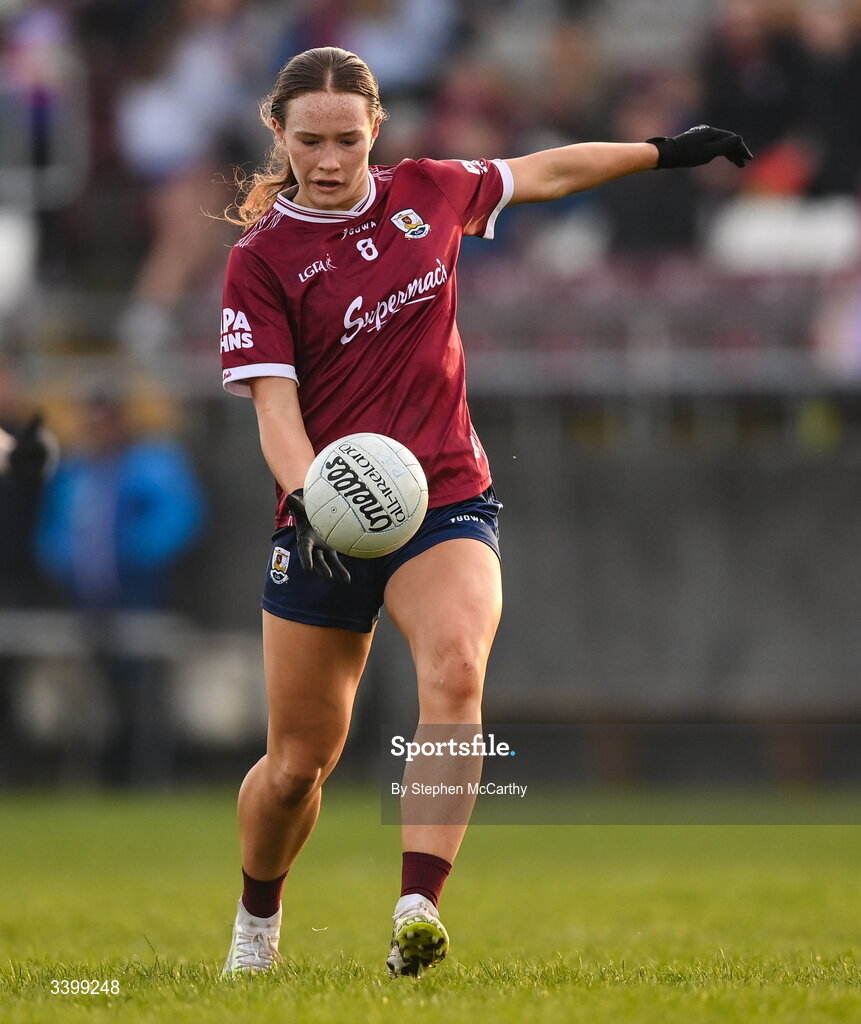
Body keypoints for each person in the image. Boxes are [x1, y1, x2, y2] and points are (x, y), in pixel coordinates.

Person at [218, 45, 752, 977]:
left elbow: (546, 171)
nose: (332, 159)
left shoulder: (430, 189)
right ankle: (257, 925)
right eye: (311, 141)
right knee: (297, 765)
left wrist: (662, 152)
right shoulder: (261, 262)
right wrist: (314, 503)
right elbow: (276, 411)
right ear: (280, 135)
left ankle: (417, 906)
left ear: (376, 130)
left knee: (457, 670)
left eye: (349, 138)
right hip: (323, 516)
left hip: (443, 495)